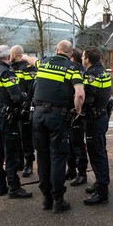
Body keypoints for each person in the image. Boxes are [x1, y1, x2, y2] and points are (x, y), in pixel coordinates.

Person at [23, 40, 84, 213]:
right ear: (70, 54)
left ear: (56, 50)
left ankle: (46, 198)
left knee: (42, 156)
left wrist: (22, 56)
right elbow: (79, 94)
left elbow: (31, 59)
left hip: (38, 115)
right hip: (58, 117)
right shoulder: (73, 69)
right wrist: (77, 111)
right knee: (58, 157)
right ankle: (58, 200)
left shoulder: (44, 63)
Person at [0, 45, 32, 199]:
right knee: (11, 153)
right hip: (8, 117)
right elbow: (16, 96)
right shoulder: (6, 73)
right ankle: (14, 187)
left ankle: (0, 186)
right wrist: (24, 96)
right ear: (8, 56)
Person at [82, 47, 112, 205]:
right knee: (100, 151)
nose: (81, 58)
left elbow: (87, 98)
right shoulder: (103, 71)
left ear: (87, 59)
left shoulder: (91, 74)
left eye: (83, 56)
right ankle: (100, 183)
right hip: (102, 116)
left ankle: (102, 192)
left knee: (96, 153)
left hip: (94, 119)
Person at [9, 45, 36, 177]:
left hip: (24, 107)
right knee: (15, 136)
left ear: (14, 54)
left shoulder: (28, 68)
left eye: (11, 53)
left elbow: (31, 89)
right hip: (14, 107)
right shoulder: (10, 67)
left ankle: (28, 163)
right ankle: (19, 161)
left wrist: (27, 105)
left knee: (26, 137)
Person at [66, 47, 88, 187]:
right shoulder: (80, 70)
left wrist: (77, 111)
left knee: (77, 144)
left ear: (72, 57)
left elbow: (80, 93)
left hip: (77, 113)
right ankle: (72, 169)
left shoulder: (77, 71)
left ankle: (82, 173)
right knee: (70, 143)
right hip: (71, 112)